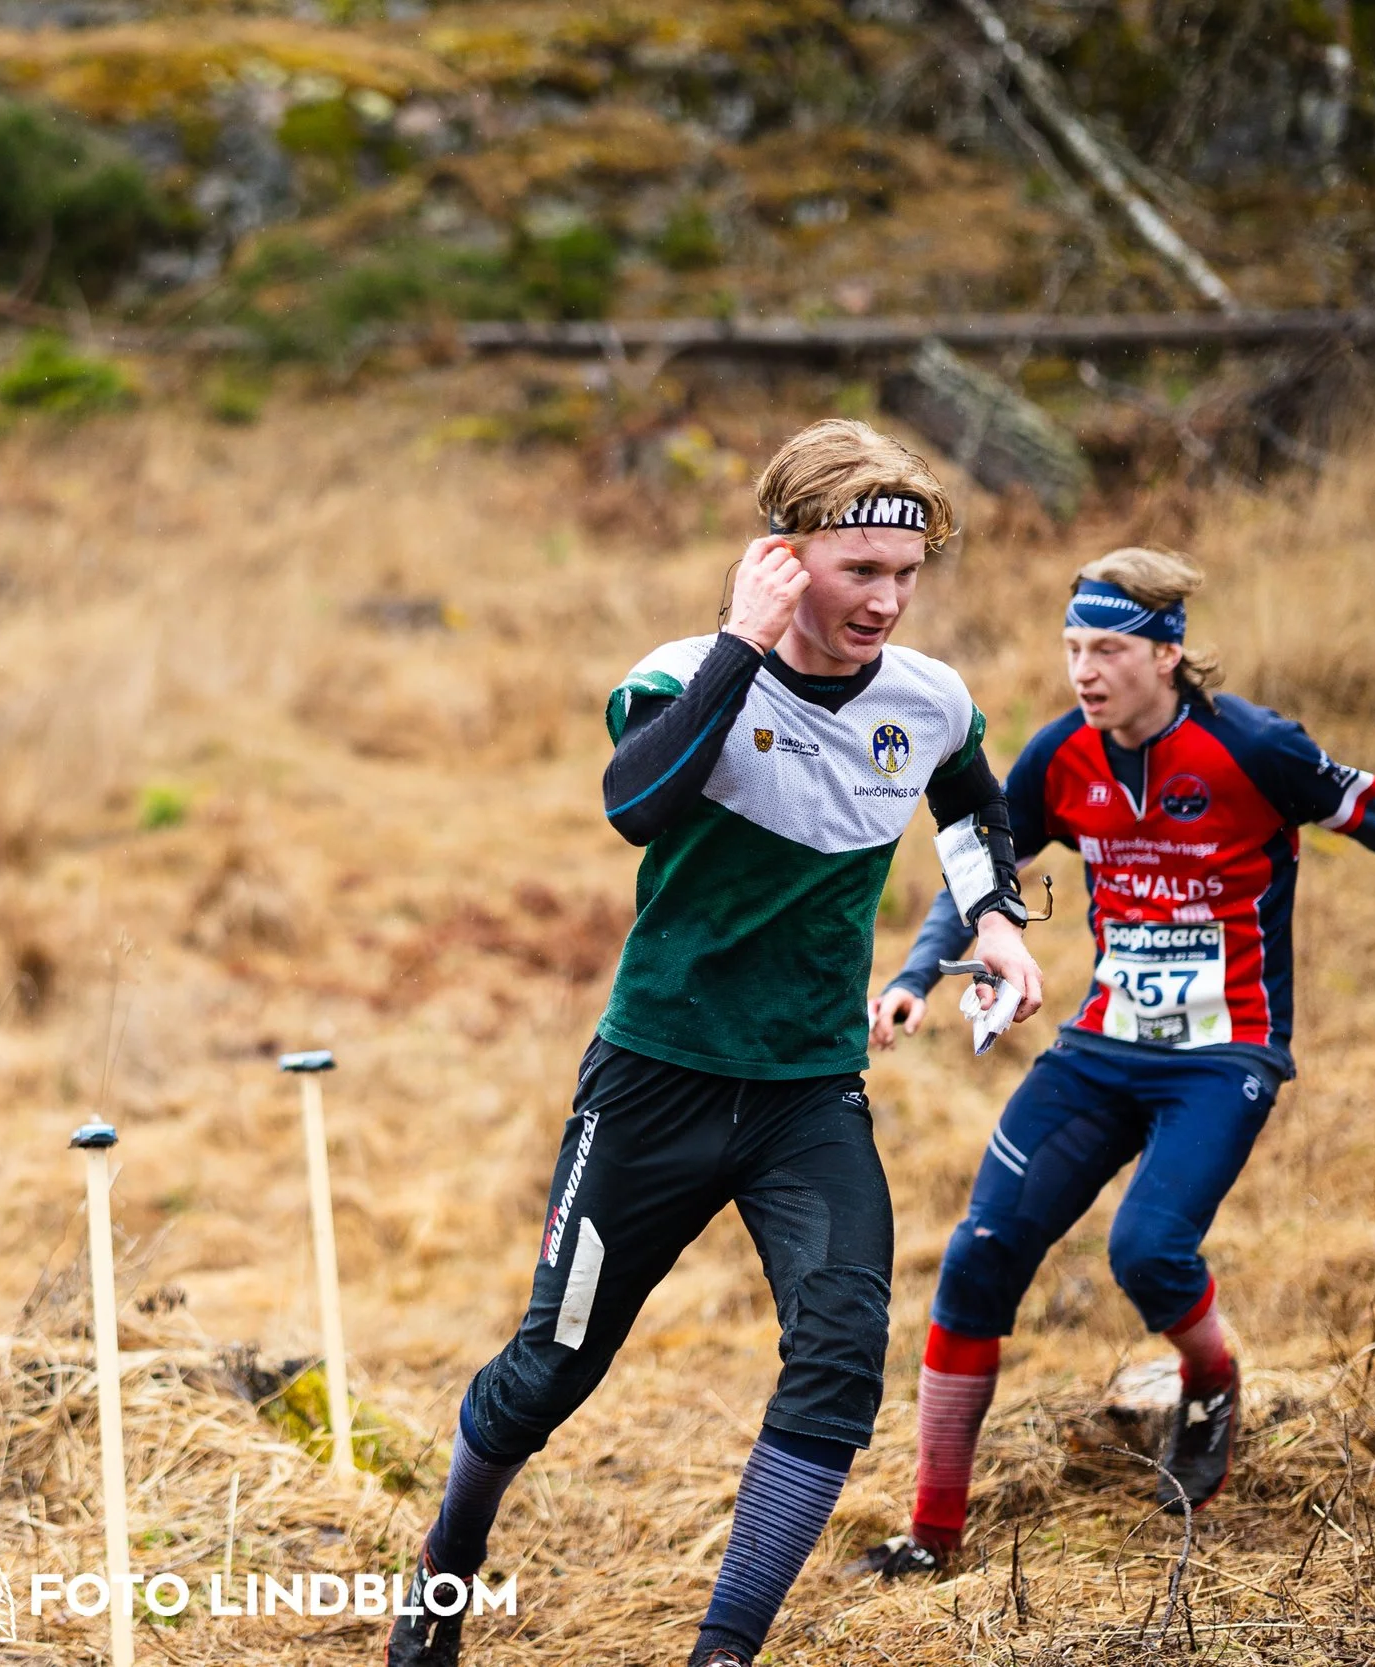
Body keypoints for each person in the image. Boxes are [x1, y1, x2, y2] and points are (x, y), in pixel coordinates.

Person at [386, 419, 1046, 1667]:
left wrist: (1001, 922)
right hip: (655, 1081)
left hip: (808, 1092)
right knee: (551, 1368)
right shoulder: (682, 674)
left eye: (905, 576)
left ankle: (722, 1650)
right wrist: (745, 642)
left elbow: (968, 800)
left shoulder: (929, 694)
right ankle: (445, 1570)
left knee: (842, 1353)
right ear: (784, 556)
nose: (886, 602)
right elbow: (634, 805)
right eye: (859, 571)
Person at [853, 546, 1375, 1580]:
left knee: (1146, 1250)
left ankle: (1211, 1375)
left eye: (1108, 648)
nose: (1083, 671)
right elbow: (978, 864)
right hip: (1100, 1047)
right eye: (1071, 648)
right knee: (976, 1256)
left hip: (1221, 1050)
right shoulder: (1061, 755)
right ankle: (933, 1533)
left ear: (1169, 654)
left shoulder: (1253, 747)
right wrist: (922, 970)